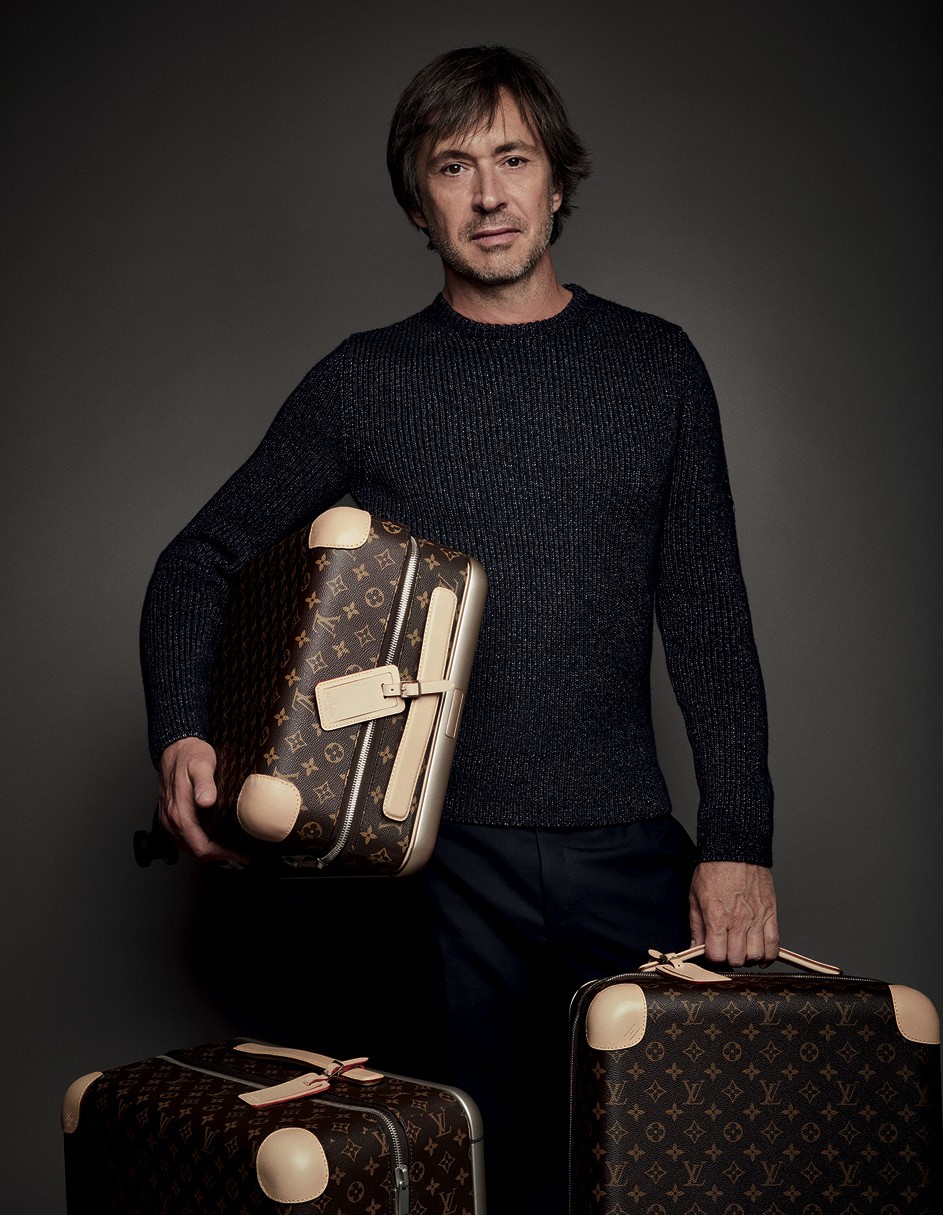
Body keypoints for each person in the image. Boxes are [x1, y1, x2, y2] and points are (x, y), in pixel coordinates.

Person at [140, 44, 779, 1214]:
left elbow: (710, 620)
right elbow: (200, 561)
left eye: (513, 159)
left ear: (556, 181)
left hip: (627, 852)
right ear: (417, 202)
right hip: (435, 871)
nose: (488, 194)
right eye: (452, 167)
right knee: (461, 1184)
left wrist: (737, 838)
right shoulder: (363, 381)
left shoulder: (657, 367)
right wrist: (182, 727)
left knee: (653, 1183)